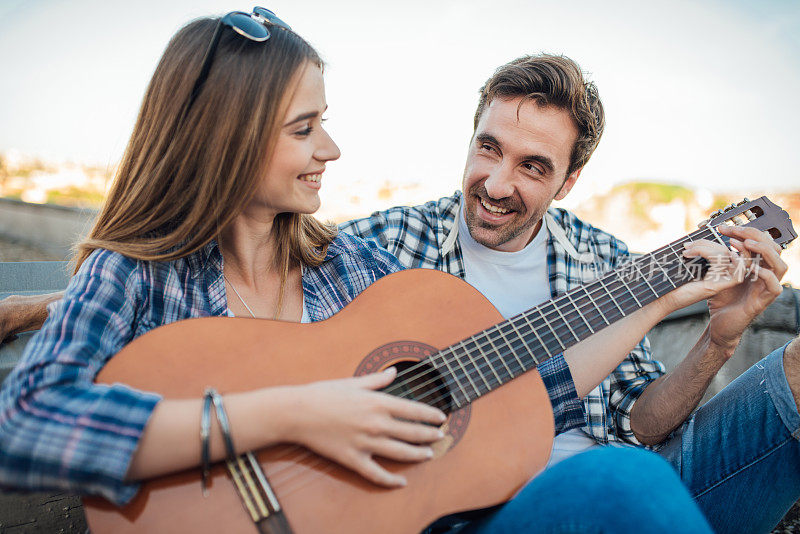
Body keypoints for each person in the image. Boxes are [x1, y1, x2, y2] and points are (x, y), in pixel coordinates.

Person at [0, 13, 754, 531]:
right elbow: (23, 426)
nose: (331, 149)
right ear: (224, 140)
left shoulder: (354, 265)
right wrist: (296, 414)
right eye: (305, 128)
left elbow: (514, 389)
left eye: (324, 121)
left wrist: (655, 299)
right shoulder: (132, 273)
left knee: (624, 481)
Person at [338, 54, 797, 534]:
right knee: (627, 478)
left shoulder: (605, 259)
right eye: (489, 148)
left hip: (621, 490)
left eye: (532, 167)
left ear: (568, 182)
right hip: (469, 510)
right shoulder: (386, 241)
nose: (496, 183)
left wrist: (718, 341)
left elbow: (641, 422)